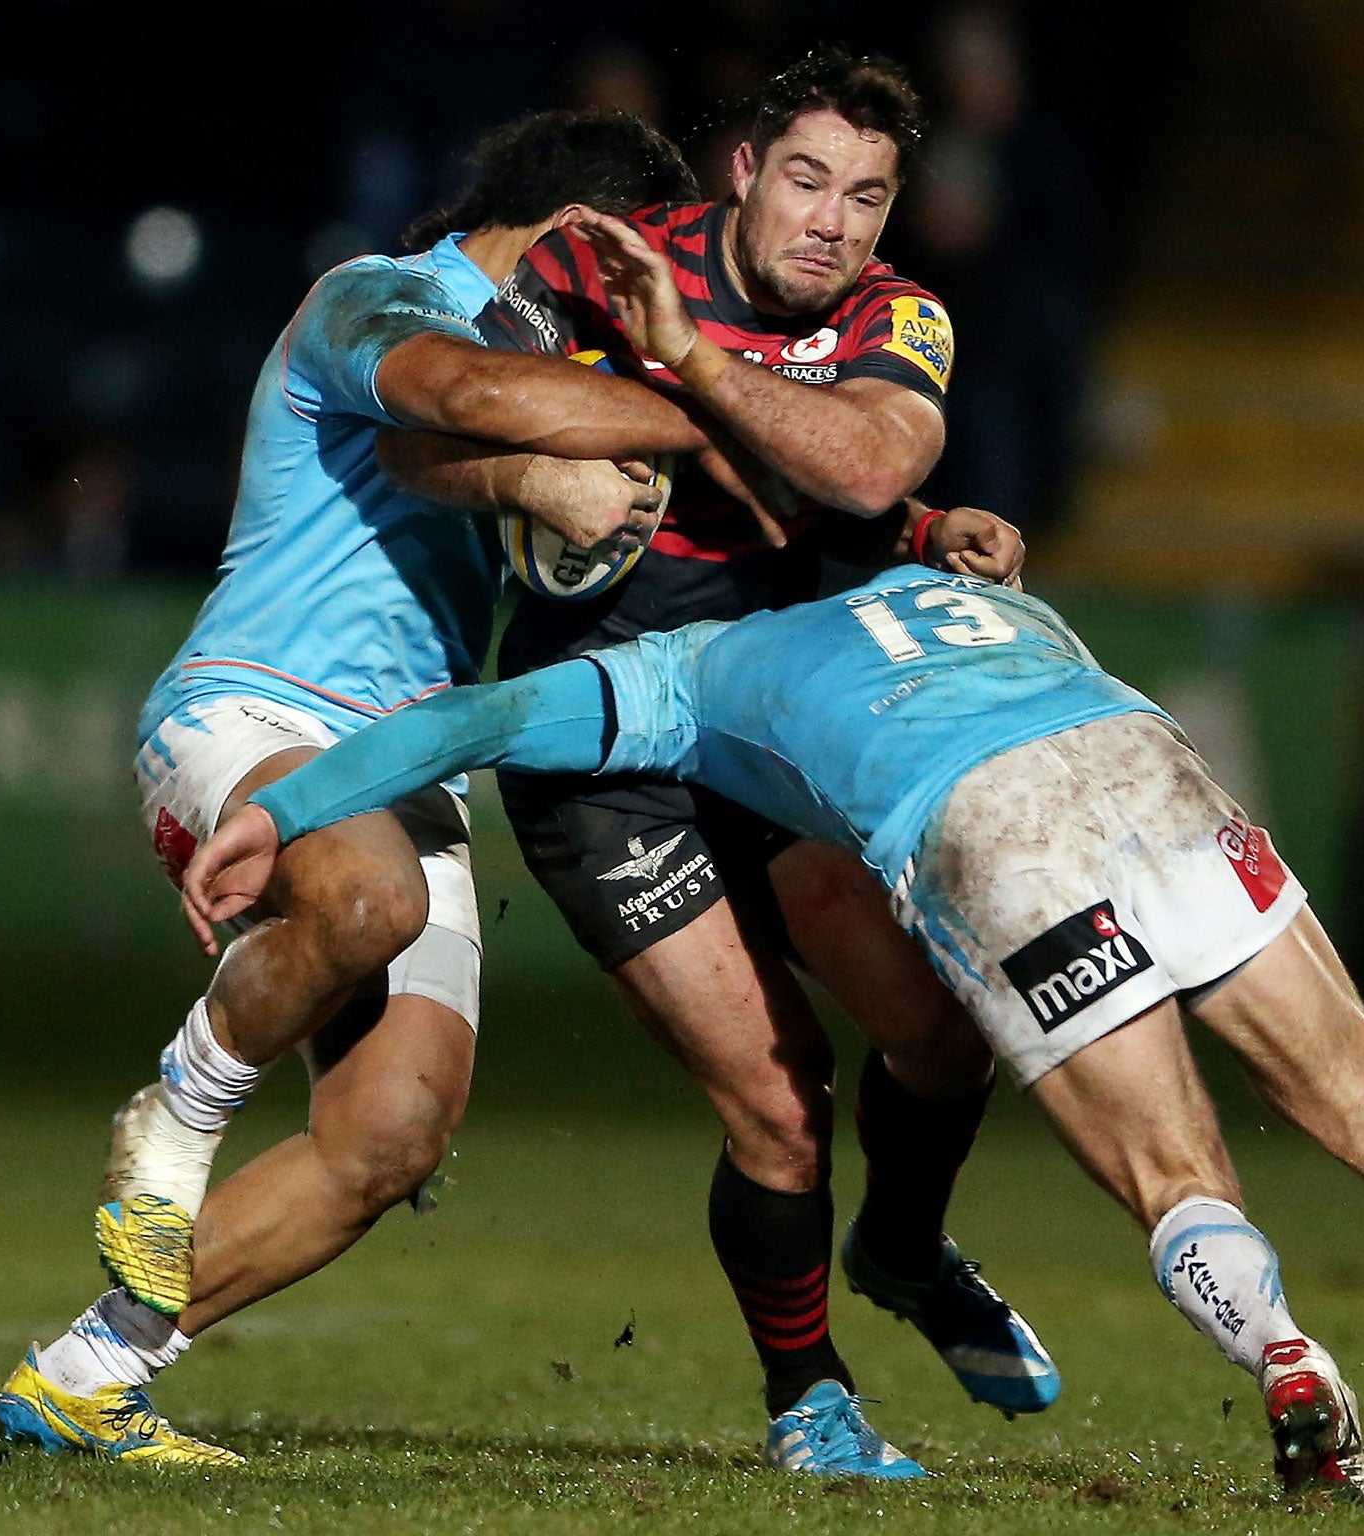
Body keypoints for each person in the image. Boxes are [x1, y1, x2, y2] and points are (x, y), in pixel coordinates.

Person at [184, 565, 1364, 1512]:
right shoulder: (961, 584)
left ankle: (1286, 1351)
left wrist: (278, 809)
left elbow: (463, 730)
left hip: (994, 831)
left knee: (1175, 1175)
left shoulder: (674, 674)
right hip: (1142, 759)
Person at [0, 110, 723, 1466]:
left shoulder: (552, 361)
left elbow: (462, 456)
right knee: (373, 897)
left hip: (408, 762)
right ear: (582, 236)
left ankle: (84, 1376)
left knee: (388, 1138)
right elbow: (459, 403)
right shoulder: (382, 296)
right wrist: (709, 390)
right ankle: (177, 1107)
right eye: (642, 265)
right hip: (251, 709)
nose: (650, 305)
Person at [441, 50, 1051, 1474]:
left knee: (947, 1034)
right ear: (744, 173)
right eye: (807, 179)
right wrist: (529, 473)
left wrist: (916, 527)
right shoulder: (602, 270)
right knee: (781, 1101)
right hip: (605, 752)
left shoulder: (902, 315)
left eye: (867, 195)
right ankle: (808, 1403)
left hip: (774, 736)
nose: (833, 220)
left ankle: (901, 1248)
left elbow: (857, 473)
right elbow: (436, 413)